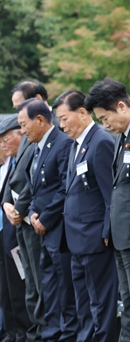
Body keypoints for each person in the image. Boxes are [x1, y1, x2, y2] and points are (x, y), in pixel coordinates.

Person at [85, 79, 130, 342]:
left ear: (121, 106)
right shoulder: (123, 136)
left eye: (105, 118)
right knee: (127, 302)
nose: (104, 125)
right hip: (121, 234)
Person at [53, 90, 118, 341]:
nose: (61, 125)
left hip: (94, 239)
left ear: (82, 112)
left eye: (64, 118)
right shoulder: (76, 144)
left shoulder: (100, 141)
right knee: (83, 301)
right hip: (76, 239)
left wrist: (106, 231)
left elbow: (108, 193)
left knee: (100, 302)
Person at [18, 98, 78, 341]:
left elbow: (65, 186)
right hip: (41, 229)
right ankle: (51, 332)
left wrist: (46, 217)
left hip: (59, 230)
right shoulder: (37, 148)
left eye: (24, 125)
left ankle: (66, 334)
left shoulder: (62, 144)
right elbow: (36, 188)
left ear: (40, 120)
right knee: (49, 287)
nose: (22, 131)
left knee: (65, 289)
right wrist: (32, 211)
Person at [7, 82, 52, 340]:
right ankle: (35, 331)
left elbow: (34, 180)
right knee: (30, 284)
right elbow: (15, 174)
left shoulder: (48, 131)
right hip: (20, 220)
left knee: (40, 281)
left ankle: (43, 332)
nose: (18, 118)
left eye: (20, 107)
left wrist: (21, 207)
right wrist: (6, 203)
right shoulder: (27, 133)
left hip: (35, 218)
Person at [0, 115, 30, 342]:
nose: (3, 145)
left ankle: (23, 332)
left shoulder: (25, 159)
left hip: (20, 233)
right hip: (5, 235)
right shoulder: (9, 163)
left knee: (21, 288)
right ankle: (12, 332)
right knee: (7, 289)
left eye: (5, 140)